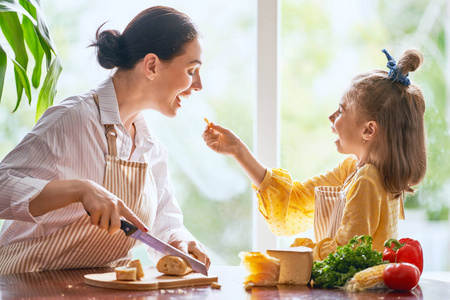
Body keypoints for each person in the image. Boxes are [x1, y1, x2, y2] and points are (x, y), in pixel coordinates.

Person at [0, 6, 210, 274]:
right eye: (192, 70)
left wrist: (179, 240)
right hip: (28, 285)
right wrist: (80, 189)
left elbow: (164, 222)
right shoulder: (71, 120)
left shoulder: (151, 148)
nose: (199, 85)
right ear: (152, 65)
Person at [203, 48, 427, 260]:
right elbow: (296, 200)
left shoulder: (367, 180)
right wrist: (239, 151)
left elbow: (345, 253)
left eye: (341, 110)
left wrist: (303, 252)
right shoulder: (353, 169)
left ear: (368, 130)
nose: (331, 117)